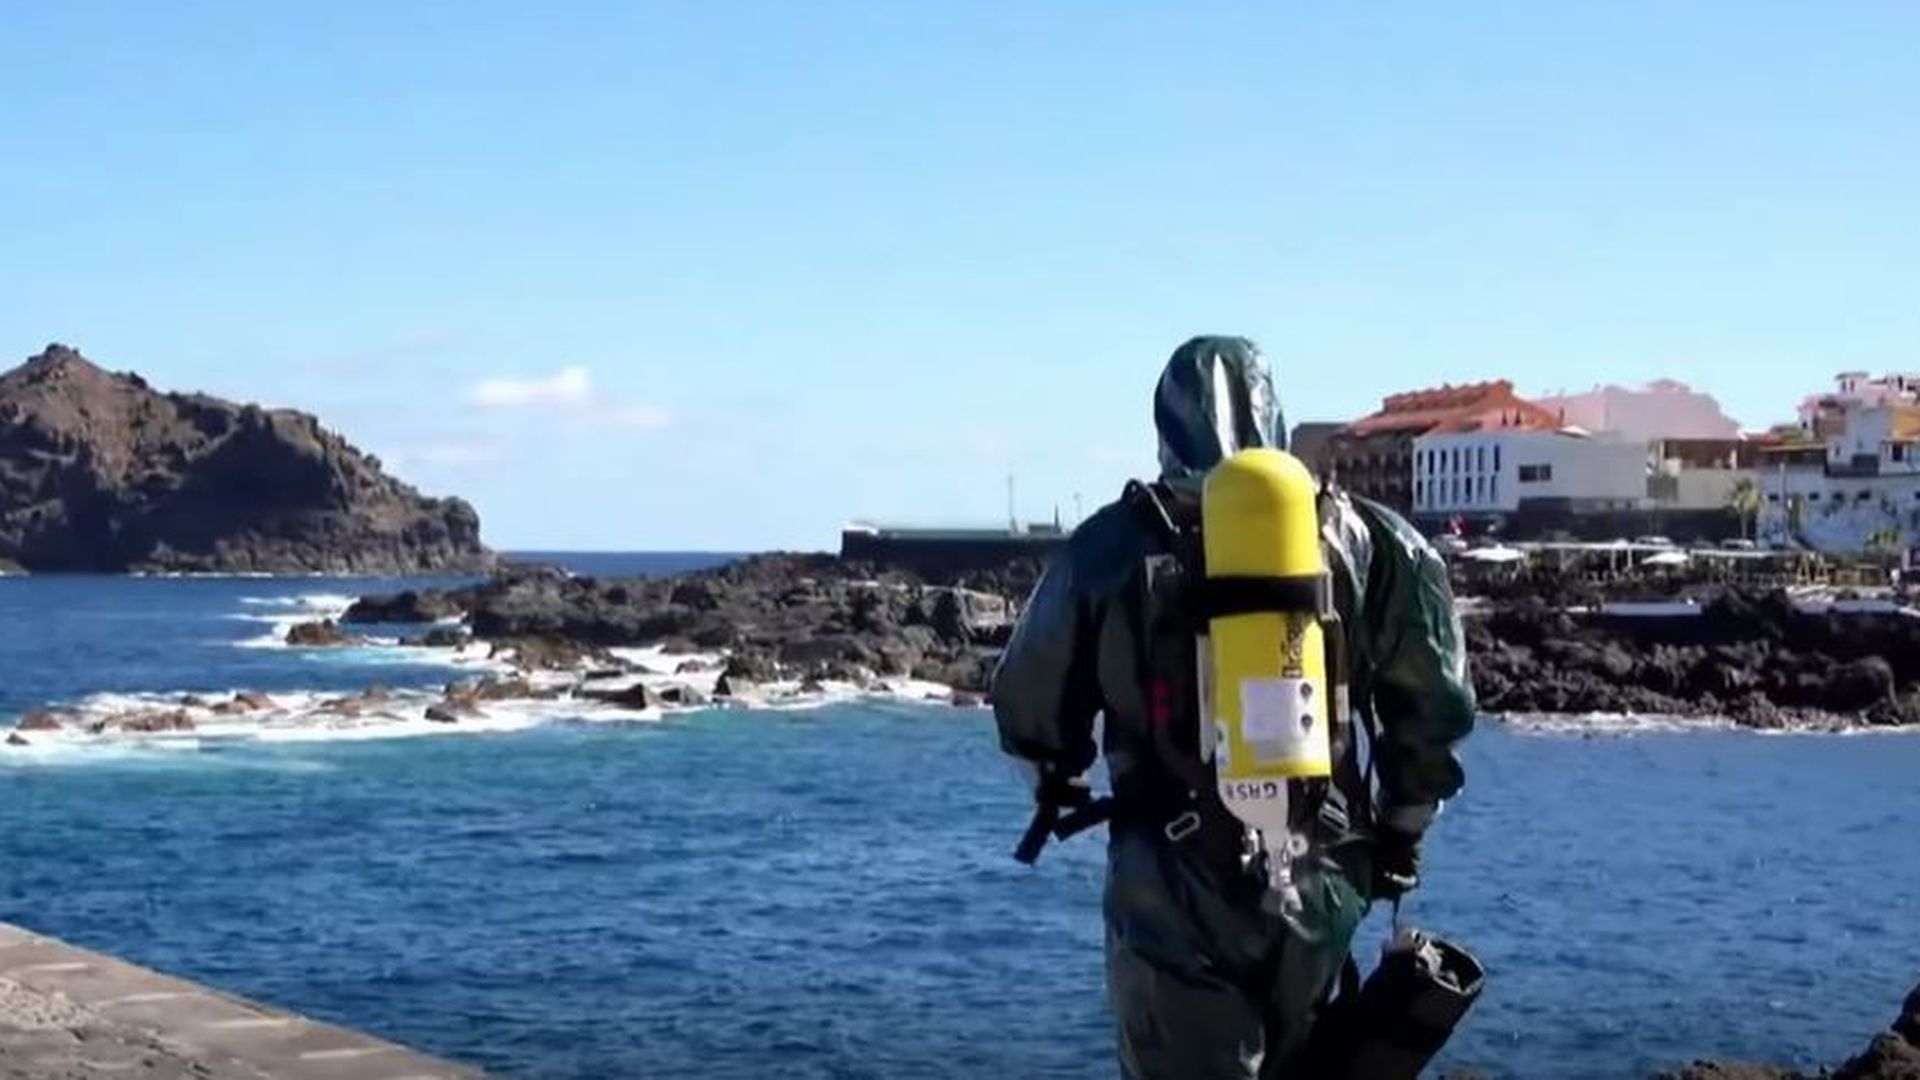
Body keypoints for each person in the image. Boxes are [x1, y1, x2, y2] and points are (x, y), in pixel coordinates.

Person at [988, 335, 1477, 1080]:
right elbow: (1434, 704)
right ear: (1278, 419)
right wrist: (1403, 831)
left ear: (1164, 427)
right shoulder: (1375, 540)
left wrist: (1057, 783)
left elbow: (1030, 706)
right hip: (1326, 867)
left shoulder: (1108, 547)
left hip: (1172, 882)